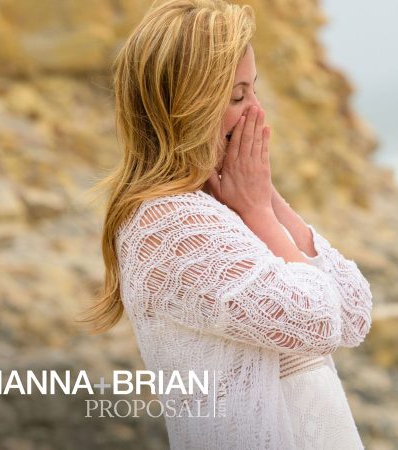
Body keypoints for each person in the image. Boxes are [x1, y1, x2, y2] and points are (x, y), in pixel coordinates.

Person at [84, 1, 372, 448]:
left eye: (254, 91)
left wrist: (265, 197)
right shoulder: (167, 224)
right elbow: (319, 323)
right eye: (238, 97)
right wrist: (258, 210)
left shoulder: (221, 205)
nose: (257, 112)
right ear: (185, 107)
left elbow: (354, 315)